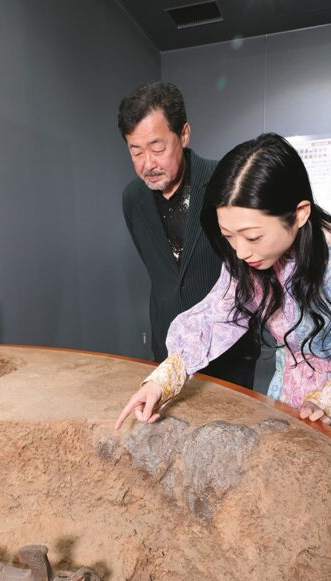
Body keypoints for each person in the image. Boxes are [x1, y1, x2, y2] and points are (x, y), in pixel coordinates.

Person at [116, 133, 331, 453]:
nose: (240, 252)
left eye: (252, 236)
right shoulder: (253, 260)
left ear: (299, 214)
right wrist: (161, 381)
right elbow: (217, 316)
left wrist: (329, 396)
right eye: (229, 236)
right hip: (292, 397)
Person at [118, 81, 259, 388]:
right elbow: (161, 271)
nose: (148, 164)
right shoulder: (132, 199)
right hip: (168, 351)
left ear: (183, 134)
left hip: (227, 354)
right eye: (136, 151)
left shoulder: (225, 182)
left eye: (157, 148)